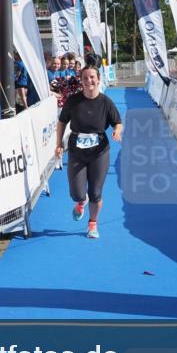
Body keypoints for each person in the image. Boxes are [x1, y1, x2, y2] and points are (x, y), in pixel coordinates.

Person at [55, 67, 123, 239]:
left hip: (99, 152)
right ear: (81, 80)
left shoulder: (106, 102)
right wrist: (59, 144)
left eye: (92, 77)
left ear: (98, 79)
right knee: (77, 193)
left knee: (96, 192)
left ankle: (92, 224)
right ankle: (80, 202)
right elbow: (61, 122)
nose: (89, 80)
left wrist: (116, 131)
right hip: (77, 152)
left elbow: (117, 121)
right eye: (85, 77)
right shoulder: (73, 101)